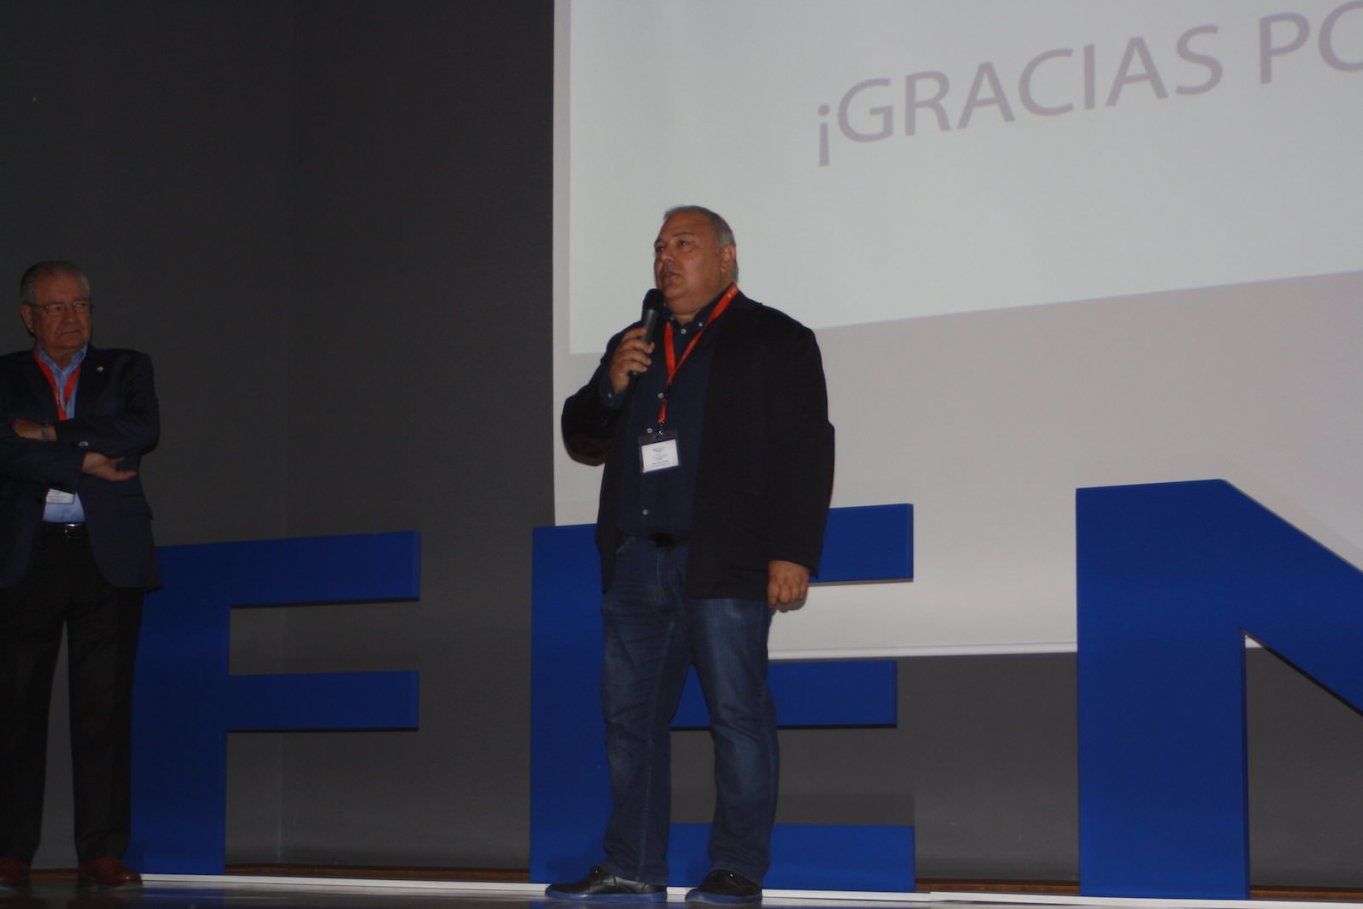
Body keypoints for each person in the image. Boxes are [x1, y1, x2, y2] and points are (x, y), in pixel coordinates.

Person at [549, 207, 834, 905]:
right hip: (638, 560)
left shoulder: (775, 336)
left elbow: (806, 448)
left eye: (684, 244)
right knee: (628, 718)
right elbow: (582, 432)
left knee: (736, 714)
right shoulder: (636, 343)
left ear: (726, 258)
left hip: (725, 561)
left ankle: (736, 868)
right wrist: (611, 383)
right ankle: (632, 862)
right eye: (658, 248)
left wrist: (792, 550)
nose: (666, 259)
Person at [0, 261, 159, 892]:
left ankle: (100, 852)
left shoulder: (126, 368)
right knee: (15, 710)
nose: (71, 318)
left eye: (80, 305)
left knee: (104, 710)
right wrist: (85, 458)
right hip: (25, 555)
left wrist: (51, 438)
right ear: (29, 317)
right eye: (56, 308)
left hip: (106, 555)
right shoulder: (5, 375)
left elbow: (141, 429)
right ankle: (11, 852)